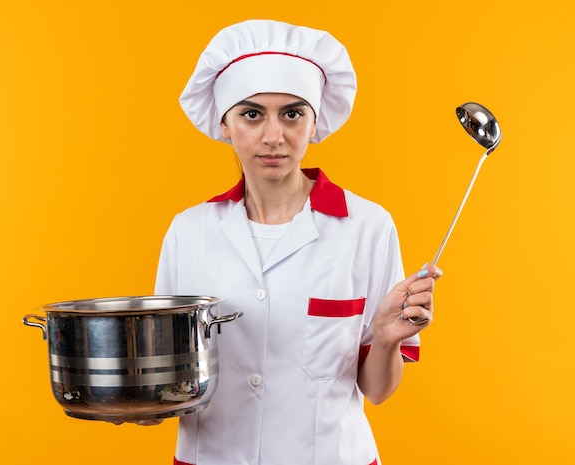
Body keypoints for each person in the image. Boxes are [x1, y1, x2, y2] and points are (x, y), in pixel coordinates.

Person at [153, 19, 442, 465]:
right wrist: (133, 401)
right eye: (252, 114)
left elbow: (378, 391)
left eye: (292, 113)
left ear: (314, 123)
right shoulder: (189, 232)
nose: (274, 136)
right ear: (225, 123)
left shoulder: (367, 227)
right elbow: (167, 379)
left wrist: (385, 340)